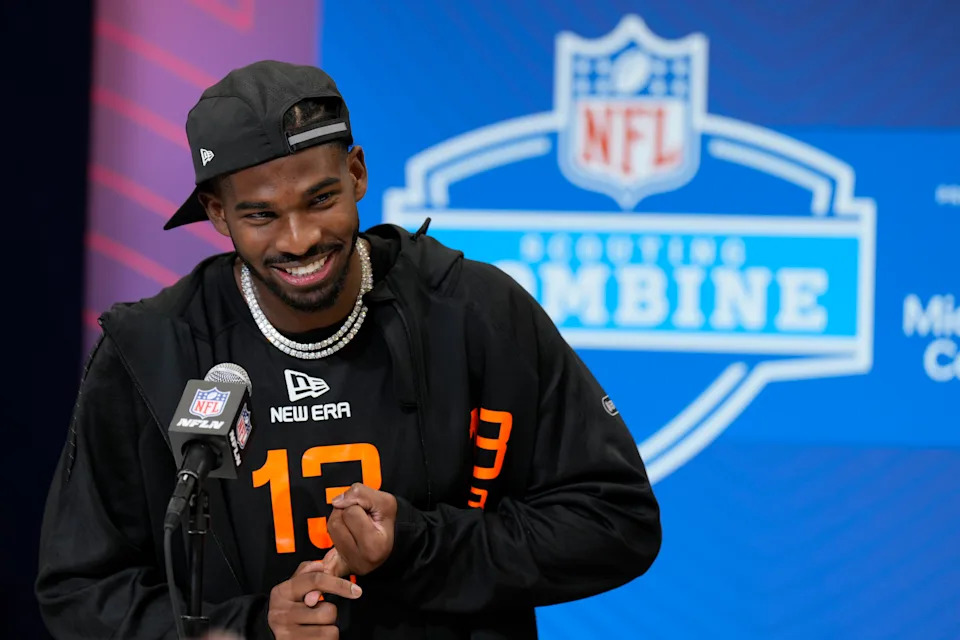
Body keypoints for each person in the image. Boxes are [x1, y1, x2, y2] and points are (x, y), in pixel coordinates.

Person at [36, 60, 661, 639]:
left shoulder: (475, 314)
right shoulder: (153, 352)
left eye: (321, 199)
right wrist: (256, 628)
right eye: (260, 216)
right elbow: (80, 591)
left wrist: (416, 546)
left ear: (356, 173)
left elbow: (616, 521)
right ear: (217, 214)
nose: (300, 238)